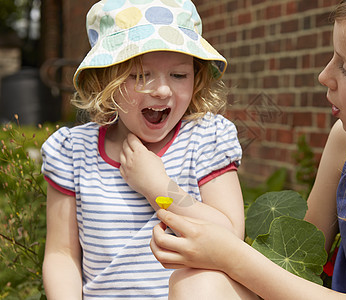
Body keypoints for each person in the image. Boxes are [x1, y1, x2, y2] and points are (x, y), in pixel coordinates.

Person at [147, 0, 346, 299]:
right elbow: (298, 256)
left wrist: (230, 254)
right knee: (196, 282)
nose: (324, 76)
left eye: (345, 68)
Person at [40, 0, 257, 298]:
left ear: (197, 79)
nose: (163, 90)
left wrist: (159, 187)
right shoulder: (74, 152)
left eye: (179, 75)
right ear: (107, 80)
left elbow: (230, 237)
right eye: (141, 75)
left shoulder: (205, 139)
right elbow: (62, 254)